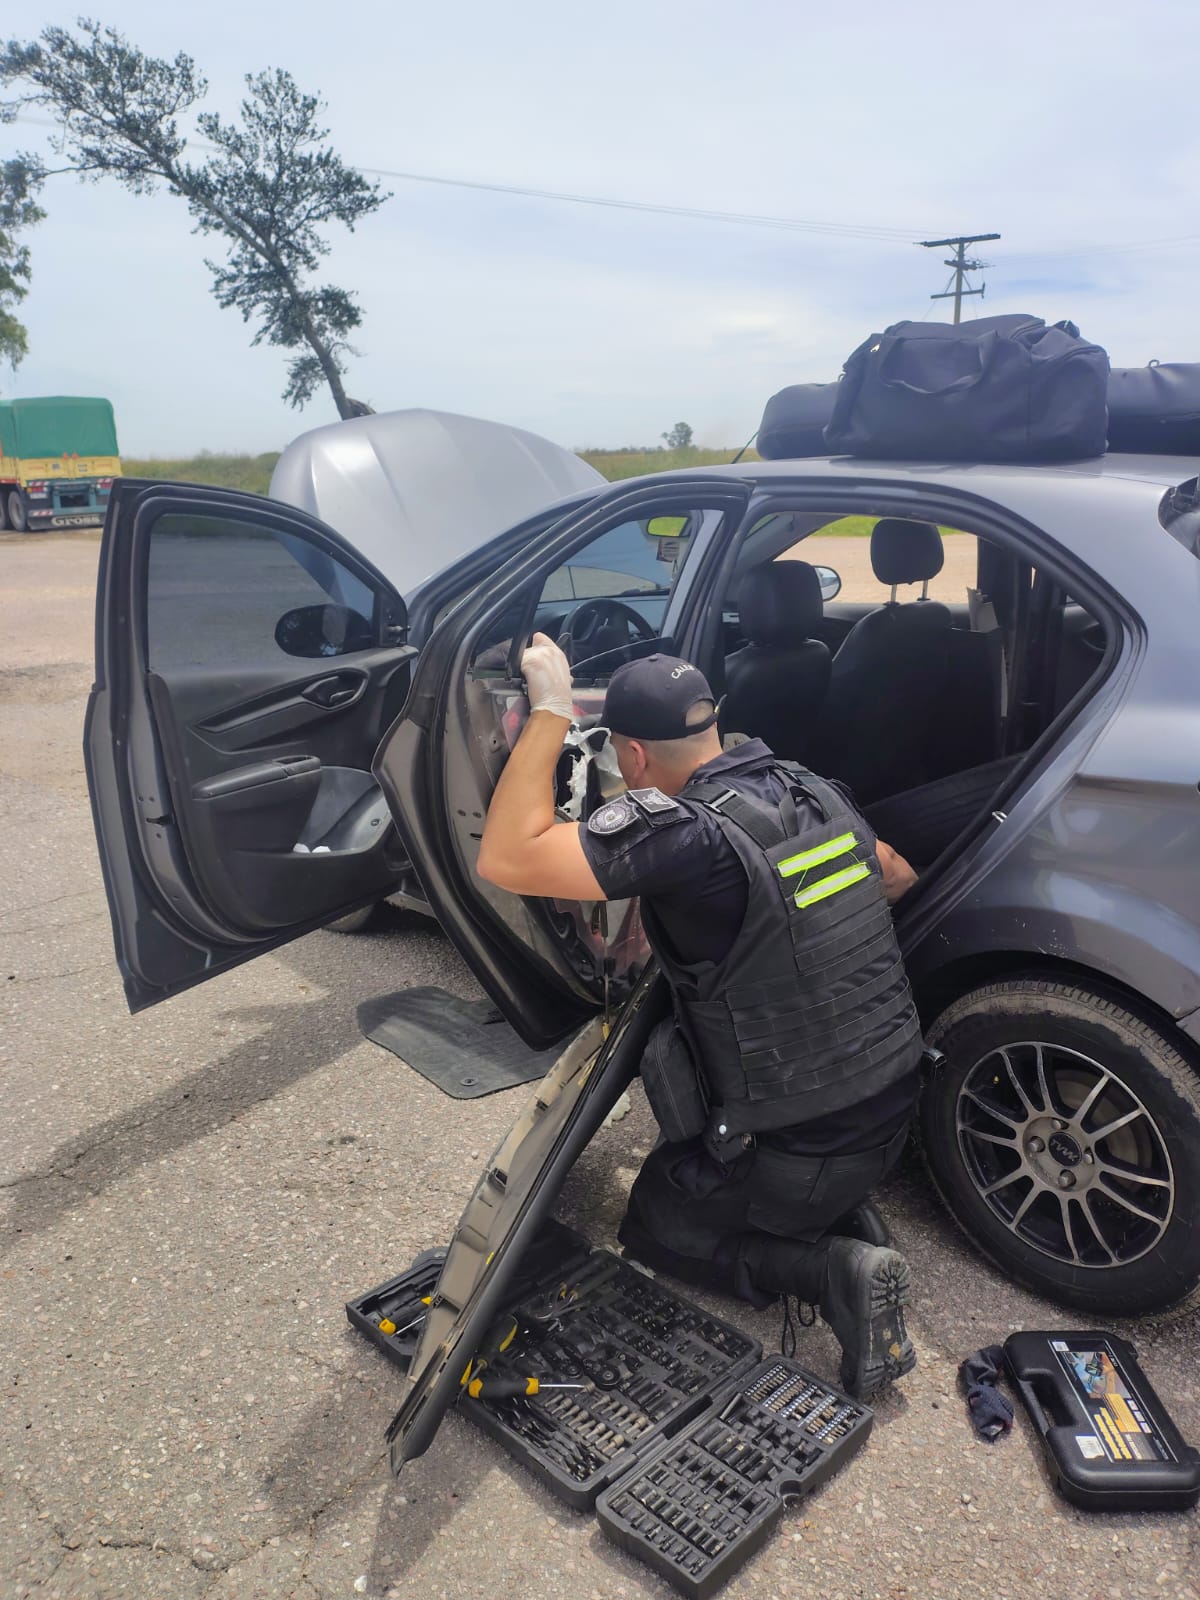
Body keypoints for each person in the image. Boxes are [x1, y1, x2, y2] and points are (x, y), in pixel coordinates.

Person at [477, 635, 925, 1398]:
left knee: (655, 1222)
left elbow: (507, 857)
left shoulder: (684, 837)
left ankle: (830, 1267)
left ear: (634, 758)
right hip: (896, 1108)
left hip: (804, 1147)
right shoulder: (813, 789)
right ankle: (827, 1210)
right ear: (711, 727)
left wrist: (550, 709)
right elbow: (897, 876)